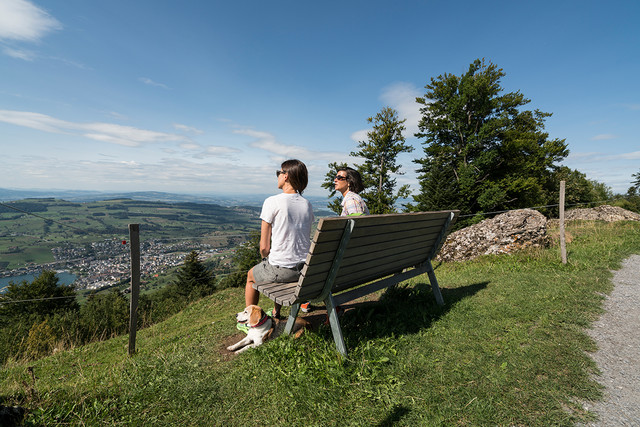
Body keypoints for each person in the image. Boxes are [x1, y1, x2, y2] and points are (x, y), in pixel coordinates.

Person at [244, 159, 314, 321]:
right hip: (305, 269)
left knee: (250, 276)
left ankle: (249, 321)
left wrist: (265, 257)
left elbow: (264, 247)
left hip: (283, 271)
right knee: (278, 261)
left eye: (279, 173)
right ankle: (275, 312)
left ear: (286, 176)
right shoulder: (307, 204)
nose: (277, 176)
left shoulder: (272, 201)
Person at [300, 166, 369, 313]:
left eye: (339, 177)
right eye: (335, 177)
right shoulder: (352, 199)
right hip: (356, 255)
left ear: (349, 182)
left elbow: (357, 230)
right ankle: (308, 300)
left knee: (316, 264)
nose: (335, 180)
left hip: (349, 256)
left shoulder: (351, 200)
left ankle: (309, 300)